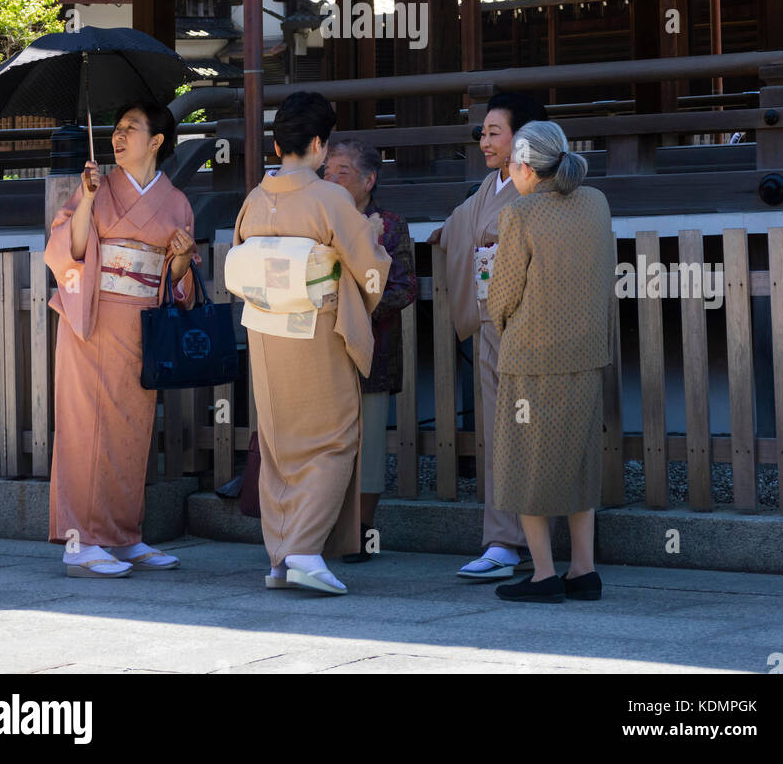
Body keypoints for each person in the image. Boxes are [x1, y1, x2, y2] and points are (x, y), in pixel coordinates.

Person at [232, 92, 391, 596]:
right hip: (314, 329)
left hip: (264, 328)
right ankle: (303, 550)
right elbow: (368, 269)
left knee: (280, 442)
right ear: (319, 144)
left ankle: (281, 556)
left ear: (279, 142)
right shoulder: (329, 199)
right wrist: (374, 236)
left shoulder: (255, 198)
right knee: (333, 438)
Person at [45, 101, 198, 579]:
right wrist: (87, 199)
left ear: (156, 142)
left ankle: (122, 536)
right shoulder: (98, 187)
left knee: (131, 432)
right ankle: (79, 542)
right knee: (85, 430)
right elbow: (67, 249)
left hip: (143, 325)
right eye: (116, 128)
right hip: (92, 318)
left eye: (131, 128)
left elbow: (176, 283)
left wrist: (180, 259)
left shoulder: (175, 201)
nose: (118, 135)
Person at [488, 120, 616, 605]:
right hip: (586, 351)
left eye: (510, 164)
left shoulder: (521, 213)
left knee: (527, 463)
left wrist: (503, 327)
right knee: (579, 460)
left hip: (532, 354)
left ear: (524, 167)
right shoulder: (596, 202)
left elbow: (503, 294)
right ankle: (583, 570)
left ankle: (543, 574)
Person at [428, 91, 548, 581]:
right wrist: (447, 236)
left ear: (522, 138)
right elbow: (460, 226)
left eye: (494, 132)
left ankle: (523, 541)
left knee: (532, 434)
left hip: (531, 327)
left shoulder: (540, 188)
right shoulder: (489, 186)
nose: (483, 141)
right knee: (498, 433)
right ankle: (503, 540)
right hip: (491, 327)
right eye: (482, 132)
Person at [323, 140, 417, 562]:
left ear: (368, 180)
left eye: (341, 171)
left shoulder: (391, 223)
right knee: (324, 441)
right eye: (327, 170)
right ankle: (321, 526)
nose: (330, 178)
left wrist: (357, 305)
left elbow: (404, 286)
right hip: (322, 348)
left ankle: (362, 531)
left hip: (374, 350)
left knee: (370, 445)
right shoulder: (318, 218)